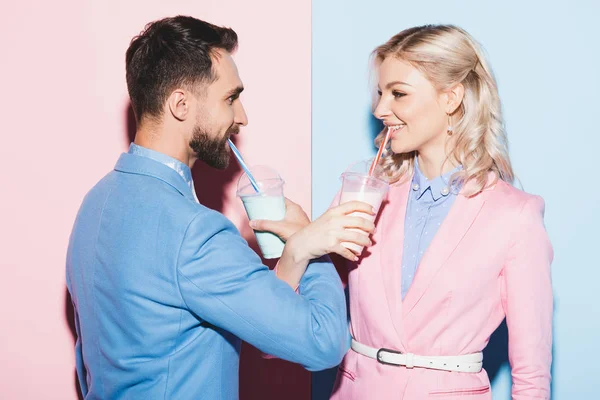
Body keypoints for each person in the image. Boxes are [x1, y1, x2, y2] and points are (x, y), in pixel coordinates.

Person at [66, 15, 375, 399]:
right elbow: (323, 341)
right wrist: (310, 247)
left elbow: (90, 361)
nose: (241, 116)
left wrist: (293, 255)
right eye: (231, 98)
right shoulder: (195, 232)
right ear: (181, 104)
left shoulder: (94, 204)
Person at [329, 25, 553, 399]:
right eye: (380, 93)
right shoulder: (361, 192)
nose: (380, 109)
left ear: (450, 98)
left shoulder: (516, 216)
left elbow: (531, 374)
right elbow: (319, 307)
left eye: (398, 94)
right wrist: (298, 246)